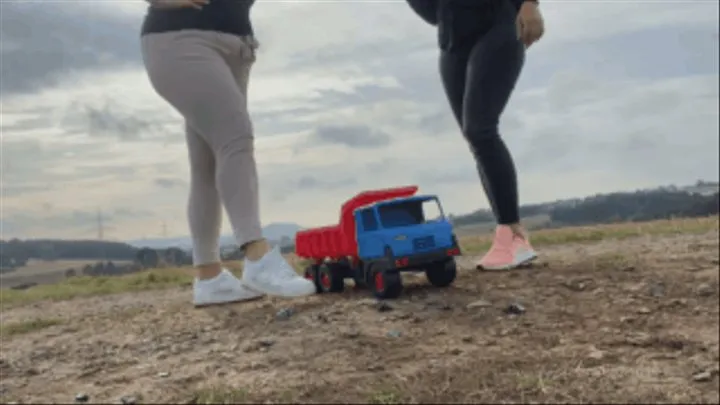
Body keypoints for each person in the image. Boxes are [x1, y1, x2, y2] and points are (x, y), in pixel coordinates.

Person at [140, 0, 316, 306]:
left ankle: (209, 277)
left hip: (236, 47)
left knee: (206, 162)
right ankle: (256, 254)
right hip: (180, 40)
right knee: (235, 136)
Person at [405, 0, 545, 271]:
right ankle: (508, 237)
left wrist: (530, 4)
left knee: (480, 129)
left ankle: (513, 236)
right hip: (452, 41)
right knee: (476, 138)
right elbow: (430, 13)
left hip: (498, 24)